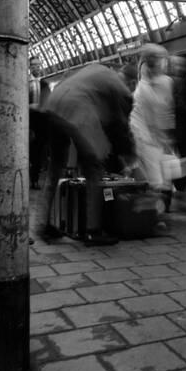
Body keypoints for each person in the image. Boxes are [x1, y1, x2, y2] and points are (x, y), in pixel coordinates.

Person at [37, 64, 136, 246]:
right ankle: (93, 231)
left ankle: (43, 225)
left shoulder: (97, 71)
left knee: (55, 167)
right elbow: (120, 128)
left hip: (52, 104)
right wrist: (129, 158)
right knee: (94, 169)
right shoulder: (123, 91)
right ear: (133, 82)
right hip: (77, 108)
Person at [129, 44, 175, 202]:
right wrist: (163, 140)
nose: (165, 65)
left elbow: (166, 111)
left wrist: (165, 139)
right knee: (154, 177)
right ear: (153, 63)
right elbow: (151, 121)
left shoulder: (165, 82)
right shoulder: (143, 89)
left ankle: (155, 208)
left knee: (161, 173)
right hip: (142, 133)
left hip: (152, 134)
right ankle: (151, 212)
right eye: (162, 61)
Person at [28, 56, 51, 189]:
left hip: (43, 121)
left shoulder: (45, 82)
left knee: (41, 150)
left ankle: (35, 179)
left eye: (38, 65)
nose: (37, 67)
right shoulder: (26, 82)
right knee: (34, 151)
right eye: (34, 65)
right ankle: (33, 179)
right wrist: (34, 106)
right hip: (31, 120)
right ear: (30, 67)